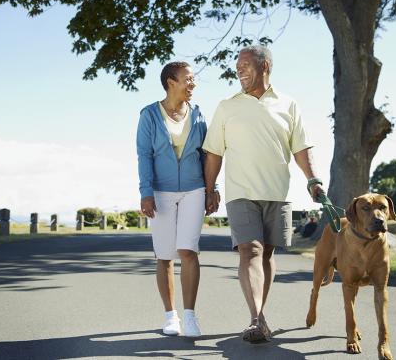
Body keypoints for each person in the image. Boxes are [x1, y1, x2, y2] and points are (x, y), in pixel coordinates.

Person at [203, 45, 324, 343]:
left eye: (245, 64)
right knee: (251, 250)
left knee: (267, 252)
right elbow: (214, 153)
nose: (238, 70)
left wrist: (313, 179)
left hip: (277, 192)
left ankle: (260, 316)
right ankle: (255, 318)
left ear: (265, 65)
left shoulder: (288, 104)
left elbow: (301, 147)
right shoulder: (226, 106)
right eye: (237, 65)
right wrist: (210, 189)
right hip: (240, 192)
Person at [136, 61, 208, 337]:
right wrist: (146, 192)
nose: (193, 84)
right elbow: (144, 155)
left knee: (188, 250)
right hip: (161, 192)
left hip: (194, 189)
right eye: (187, 79)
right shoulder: (149, 115)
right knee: (165, 256)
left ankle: (190, 315)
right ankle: (171, 315)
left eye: (193, 80)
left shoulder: (199, 115)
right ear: (170, 82)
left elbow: (206, 155)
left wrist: (211, 189)